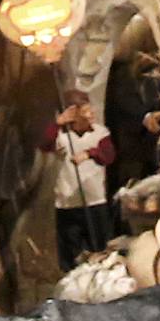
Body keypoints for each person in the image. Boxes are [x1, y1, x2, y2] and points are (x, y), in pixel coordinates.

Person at [49, 87, 121, 265]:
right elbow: (44, 143)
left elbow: (109, 155)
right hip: (67, 201)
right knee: (70, 251)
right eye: (86, 111)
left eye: (91, 109)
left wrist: (89, 153)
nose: (91, 115)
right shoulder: (61, 135)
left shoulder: (100, 133)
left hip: (94, 199)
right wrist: (57, 123)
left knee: (99, 246)